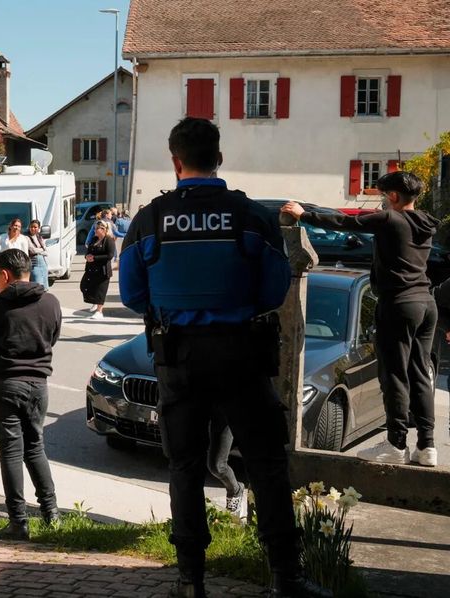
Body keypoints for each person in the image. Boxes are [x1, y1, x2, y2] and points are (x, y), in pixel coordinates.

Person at [120, 117, 325, 598]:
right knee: (266, 464)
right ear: (219, 158)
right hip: (242, 354)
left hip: (179, 357)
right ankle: (287, 578)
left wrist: (174, 309)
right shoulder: (250, 216)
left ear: (176, 162)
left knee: (185, 468)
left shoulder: (149, 220)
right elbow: (274, 289)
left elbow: (132, 294)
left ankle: (190, 580)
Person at [282, 172, 438, 467]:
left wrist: (304, 214)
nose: (381, 202)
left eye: (383, 196)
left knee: (394, 374)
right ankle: (427, 446)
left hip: (399, 303)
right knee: (419, 373)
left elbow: (345, 223)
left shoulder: (390, 219)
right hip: (426, 303)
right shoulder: (425, 222)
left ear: (393, 196)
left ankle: (396, 443)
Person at [0, 248, 61, 540]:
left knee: (10, 452)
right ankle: (51, 513)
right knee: (35, 447)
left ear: (5, 275)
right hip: (38, 384)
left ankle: (18, 522)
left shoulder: (0, 304)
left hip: (6, 383)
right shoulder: (51, 302)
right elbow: (53, 336)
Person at [80, 220, 116, 319]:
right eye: (95, 228)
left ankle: (99, 311)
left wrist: (95, 258)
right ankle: (95, 302)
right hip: (91, 269)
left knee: (100, 291)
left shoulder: (109, 240)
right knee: (84, 286)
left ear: (103, 230)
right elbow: (88, 251)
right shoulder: (94, 239)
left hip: (102, 270)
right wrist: (87, 256)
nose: (94, 230)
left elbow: (110, 255)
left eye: (96, 229)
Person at [26, 220, 49, 288]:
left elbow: (46, 251)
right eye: (31, 227)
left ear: (39, 228)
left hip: (43, 264)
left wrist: (40, 250)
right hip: (34, 264)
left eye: (35, 227)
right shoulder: (27, 237)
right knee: (37, 285)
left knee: (45, 286)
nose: (33, 229)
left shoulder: (39, 236)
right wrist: (42, 250)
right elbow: (33, 250)